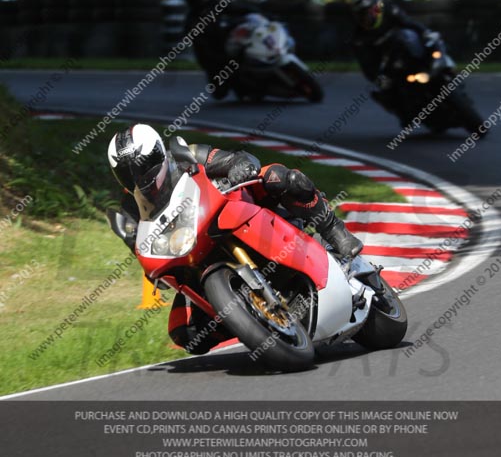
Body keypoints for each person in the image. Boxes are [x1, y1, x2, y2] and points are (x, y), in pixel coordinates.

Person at [108, 124, 362, 354]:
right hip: (193, 253)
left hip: (239, 215)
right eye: (127, 172)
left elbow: (238, 159)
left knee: (280, 177)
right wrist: (157, 271)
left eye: (142, 166)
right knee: (185, 332)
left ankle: (334, 230)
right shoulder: (131, 207)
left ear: (159, 154)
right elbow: (142, 248)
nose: (137, 175)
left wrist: (240, 166)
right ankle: (246, 318)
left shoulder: (188, 154)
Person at [350, 0, 438, 118]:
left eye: (370, 11)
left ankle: (443, 70)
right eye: (363, 14)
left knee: (433, 41)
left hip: (410, 52)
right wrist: (378, 78)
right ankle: (406, 113)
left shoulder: (390, 10)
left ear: (377, 7)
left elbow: (409, 23)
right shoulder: (359, 37)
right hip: (392, 66)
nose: (368, 17)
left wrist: (426, 33)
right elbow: (366, 65)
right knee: (385, 90)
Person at [182, 0, 257, 98]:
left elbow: (235, 8)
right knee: (220, 93)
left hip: (232, 43)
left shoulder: (214, 4)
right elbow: (201, 49)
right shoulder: (190, 21)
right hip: (215, 58)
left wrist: (254, 12)